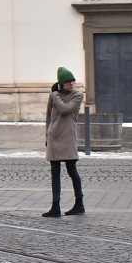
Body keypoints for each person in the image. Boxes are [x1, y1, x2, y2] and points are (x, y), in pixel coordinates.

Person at [44, 67, 86, 217]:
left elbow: (65, 109)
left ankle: (79, 203)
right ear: (61, 83)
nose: (71, 84)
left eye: (72, 81)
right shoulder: (54, 96)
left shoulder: (77, 96)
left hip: (67, 138)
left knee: (72, 170)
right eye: (68, 82)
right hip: (54, 137)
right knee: (55, 172)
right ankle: (55, 206)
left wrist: (54, 95)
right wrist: (47, 136)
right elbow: (48, 116)